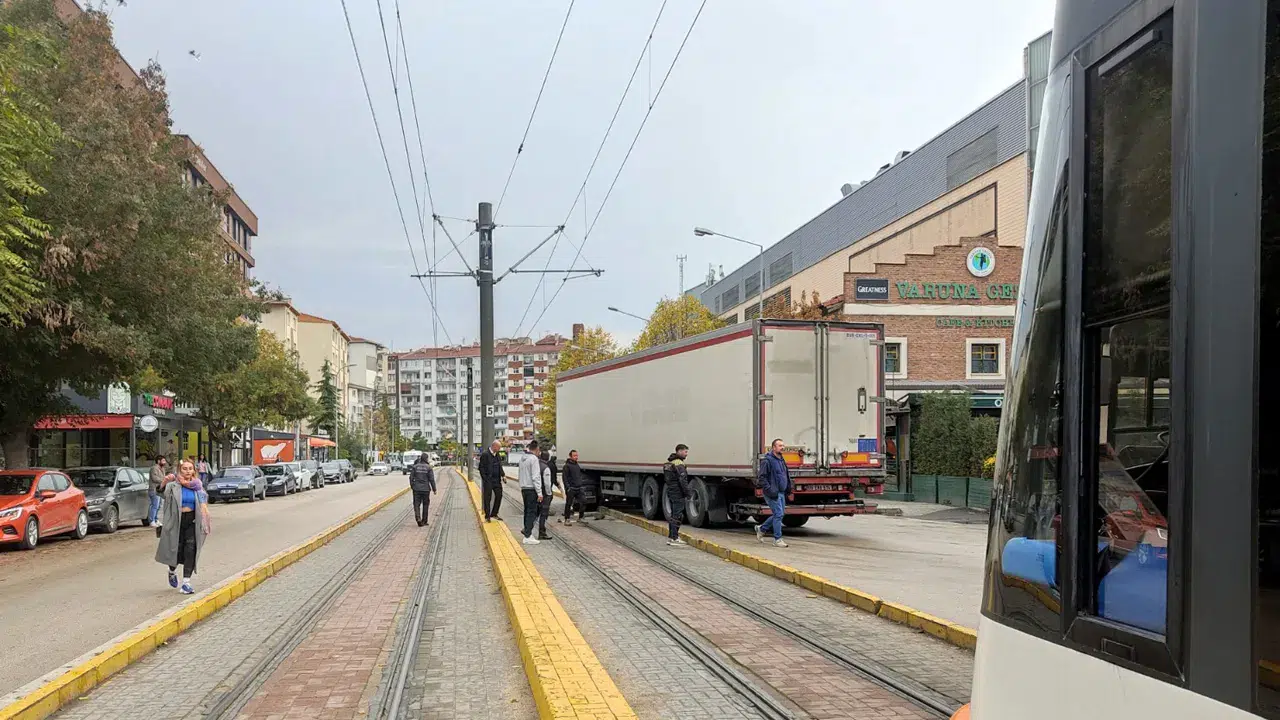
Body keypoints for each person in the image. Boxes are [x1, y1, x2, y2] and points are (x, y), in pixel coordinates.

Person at [155, 459, 211, 594]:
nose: (187, 471)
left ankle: (186, 583)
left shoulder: (197, 486)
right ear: (179, 470)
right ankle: (171, 571)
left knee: (190, 549)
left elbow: (204, 501)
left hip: (192, 521)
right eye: (184, 469)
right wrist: (164, 482)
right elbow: (160, 493)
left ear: (194, 471)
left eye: (190, 469)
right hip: (176, 521)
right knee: (176, 549)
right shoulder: (173, 485)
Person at [755, 438, 793, 548]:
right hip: (772, 493)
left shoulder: (781, 460)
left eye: (783, 445)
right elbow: (762, 478)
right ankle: (777, 539)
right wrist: (770, 490)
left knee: (779, 514)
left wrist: (788, 487)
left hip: (781, 492)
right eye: (780, 446)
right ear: (773, 447)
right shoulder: (767, 461)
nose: (782, 447)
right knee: (778, 514)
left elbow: (785, 474)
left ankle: (762, 529)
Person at [517, 440, 546, 545]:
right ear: (537, 449)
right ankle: (528, 535)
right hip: (531, 489)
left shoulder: (522, 458)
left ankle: (527, 532)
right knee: (532, 512)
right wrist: (540, 493)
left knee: (527, 511)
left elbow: (520, 473)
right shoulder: (534, 459)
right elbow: (536, 477)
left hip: (524, 488)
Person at [663, 444, 691, 546]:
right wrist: (687, 493)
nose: (686, 454)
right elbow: (683, 480)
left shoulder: (669, 463)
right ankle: (674, 538)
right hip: (678, 492)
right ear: (679, 451)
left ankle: (671, 537)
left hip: (671, 491)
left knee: (674, 515)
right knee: (678, 515)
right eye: (685, 452)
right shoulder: (679, 464)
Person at [478, 440, 504, 522]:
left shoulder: (497, 454)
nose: (499, 449)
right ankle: (487, 516)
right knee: (487, 498)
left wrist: (503, 475)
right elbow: (481, 468)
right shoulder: (485, 454)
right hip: (488, 480)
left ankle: (494, 513)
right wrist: (485, 479)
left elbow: (500, 466)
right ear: (494, 446)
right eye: (498, 447)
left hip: (497, 480)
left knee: (499, 495)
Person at [409, 455, 437, 527]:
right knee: (425, 505)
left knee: (416, 504)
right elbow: (431, 479)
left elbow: (411, 478)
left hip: (416, 489)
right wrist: (434, 489)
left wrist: (412, 486)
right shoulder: (429, 467)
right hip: (425, 489)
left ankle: (418, 518)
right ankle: (424, 521)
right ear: (426, 459)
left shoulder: (415, 467)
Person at [561, 450, 587, 526]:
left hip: (579, 488)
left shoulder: (577, 465)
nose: (576, 457)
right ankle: (567, 519)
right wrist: (568, 488)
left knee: (584, 501)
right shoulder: (567, 466)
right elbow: (564, 478)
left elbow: (578, 475)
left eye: (577, 455)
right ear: (570, 456)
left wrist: (580, 484)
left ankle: (581, 517)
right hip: (571, 488)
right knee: (569, 504)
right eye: (574, 456)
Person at [537, 450, 559, 540]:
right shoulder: (546, 468)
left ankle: (527, 529)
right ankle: (542, 532)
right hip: (544, 494)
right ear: (548, 458)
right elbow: (547, 483)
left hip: (537, 492)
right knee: (543, 513)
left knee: (535, 512)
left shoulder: (536, 465)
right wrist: (549, 494)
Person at [148, 457, 167, 536]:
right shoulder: (154, 468)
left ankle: (156, 519)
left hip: (160, 490)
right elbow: (154, 478)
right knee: (154, 505)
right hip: (154, 489)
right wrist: (164, 480)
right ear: (158, 461)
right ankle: (151, 520)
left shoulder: (162, 469)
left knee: (159, 505)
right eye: (163, 460)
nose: (165, 462)